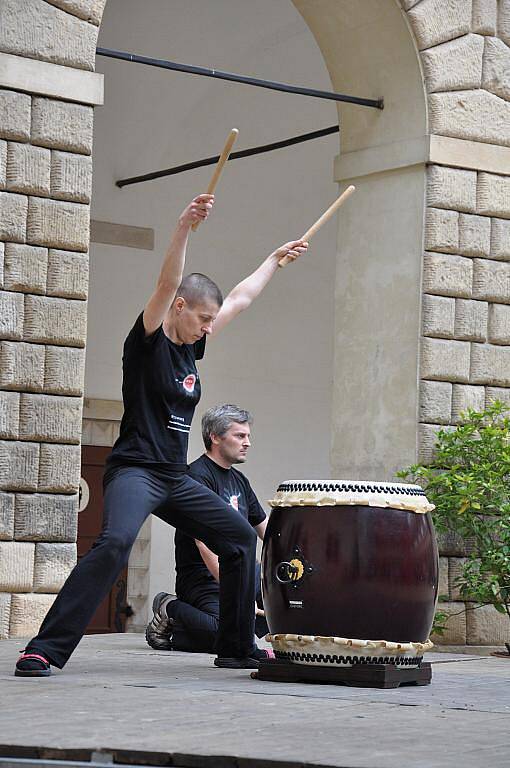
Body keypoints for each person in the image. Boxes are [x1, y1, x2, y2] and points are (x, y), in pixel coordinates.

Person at [15, 193, 307, 677]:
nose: (210, 327)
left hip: (173, 477)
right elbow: (167, 280)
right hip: (135, 470)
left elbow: (239, 298)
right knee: (114, 544)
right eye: (203, 318)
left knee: (239, 539)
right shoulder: (149, 339)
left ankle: (236, 647)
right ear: (179, 307)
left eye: (212, 321)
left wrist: (273, 261)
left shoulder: (195, 349)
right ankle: (45, 648)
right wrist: (184, 227)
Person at [145, 404, 271, 655]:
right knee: (226, 632)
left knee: (278, 616)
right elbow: (203, 543)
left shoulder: (240, 481)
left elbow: (264, 529)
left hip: (242, 572)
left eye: (248, 436)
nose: (247, 443)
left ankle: (187, 633)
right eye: (240, 436)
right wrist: (236, 589)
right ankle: (169, 607)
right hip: (202, 580)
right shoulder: (195, 478)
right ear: (215, 437)